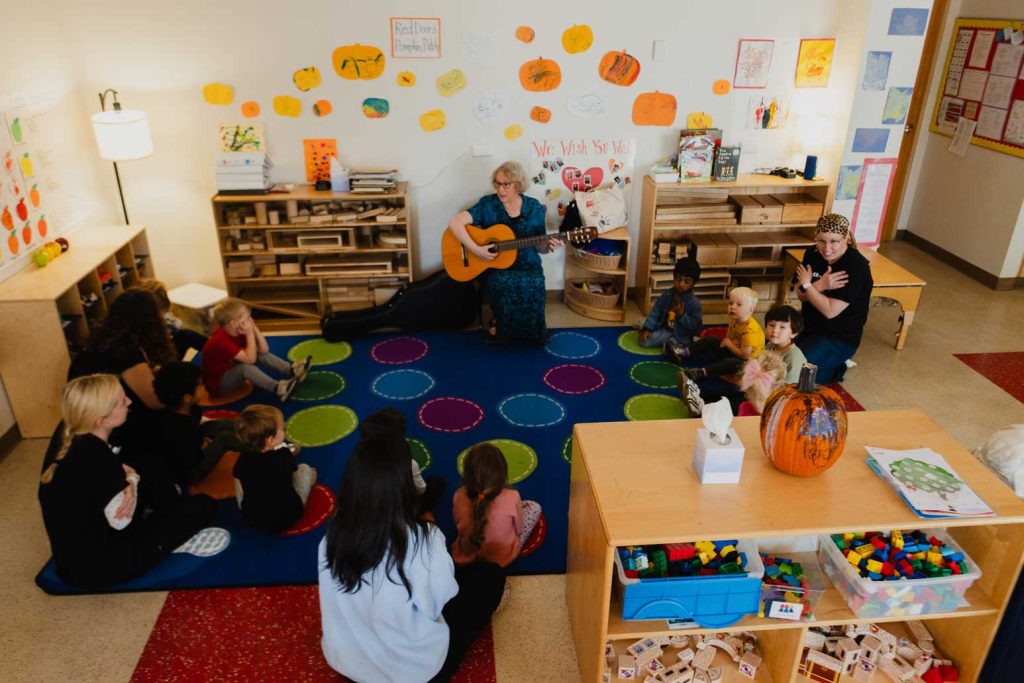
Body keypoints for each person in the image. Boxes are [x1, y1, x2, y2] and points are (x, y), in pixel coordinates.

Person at [318, 435, 503, 683]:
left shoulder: (331, 539)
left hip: (348, 663)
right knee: (490, 576)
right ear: (405, 490)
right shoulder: (424, 540)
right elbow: (441, 600)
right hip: (416, 672)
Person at [37, 374, 216, 589]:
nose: (129, 402)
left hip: (74, 559)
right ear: (100, 419)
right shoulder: (100, 461)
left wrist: (127, 476)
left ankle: (169, 509)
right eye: (122, 401)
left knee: (148, 465)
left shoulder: (70, 437)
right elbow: (121, 521)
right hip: (103, 568)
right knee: (204, 505)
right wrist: (131, 479)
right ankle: (172, 513)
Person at [447, 161, 562, 344]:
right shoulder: (487, 205)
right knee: (502, 282)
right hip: (495, 263)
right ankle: (502, 329)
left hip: (528, 262)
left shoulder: (534, 208)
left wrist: (548, 246)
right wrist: (476, 249)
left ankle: (532, 332)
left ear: (518, 184)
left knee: (533, 282)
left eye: (506, 184)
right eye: (497, 183)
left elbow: (539, 246)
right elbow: (455, 223)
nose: (500, 189)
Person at [68, 288, 177, 462]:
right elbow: (156, 401)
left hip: (86, 416)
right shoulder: (126, 352)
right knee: (174, 414)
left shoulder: (103, 340)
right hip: (111, 424)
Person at [794, 213, 873, 383]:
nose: (826, 248)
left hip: (837, 337)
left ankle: (837, 367)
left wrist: (808, 286)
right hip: (807, 327)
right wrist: (819, 286)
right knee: (772, 360)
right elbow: (800, 295)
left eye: (834, 241)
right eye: (821, 241)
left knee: (796, 375)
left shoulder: (856, 266)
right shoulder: (812, 253)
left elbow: (830, 311)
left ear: (845, 238)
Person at [200, 297, 312, 402]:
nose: (250, 320)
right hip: (219, 385)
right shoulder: (220, 341)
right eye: (247, 318)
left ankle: (291, 370)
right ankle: (279, 389)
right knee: (245, 368)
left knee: (256, 352)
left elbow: (264, 349)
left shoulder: (237, 330)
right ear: (233, 323)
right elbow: (251, 360)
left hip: (231, 368)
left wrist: (254, 328)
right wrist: (249, 333)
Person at [152, 361, 242, 488]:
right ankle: (262, 444)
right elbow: (188, 459)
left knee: (223, 423)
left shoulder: (187, 410)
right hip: (189, 472)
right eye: (199, 386)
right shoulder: (181, 427)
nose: (202, 387)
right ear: (187, 397)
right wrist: (202, 446)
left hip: (192, 442)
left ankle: (257, 430)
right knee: (225, 438)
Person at [451, 442, 541, 569]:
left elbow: (457, 523)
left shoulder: (459, 495)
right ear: (502, 473)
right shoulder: (512, 496)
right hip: (502, 559)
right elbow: (520, 530)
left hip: (465, 557)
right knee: (534, 507)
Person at [232, 404, 316, 534]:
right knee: (304, 469)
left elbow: (240, 487)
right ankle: (310, 480)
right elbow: (291, 477)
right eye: (283, 429)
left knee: (241, 479)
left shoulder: (243, 459)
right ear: (271, 440)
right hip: (289, 516)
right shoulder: (283, 455)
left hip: (254, 520)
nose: (285, 430)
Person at [359, 407, 446, 516]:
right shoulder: (408, 464)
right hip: (401, 513)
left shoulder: (359, 462)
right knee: (437, 483)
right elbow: (420, 489)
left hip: (371, 511)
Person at [676, 286, 765, 380]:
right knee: (711, 340)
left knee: (733, 364)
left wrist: (730, 344)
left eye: (739, 305)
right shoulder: (734, 319)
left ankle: (700, 373)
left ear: (750, 310)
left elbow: (745, 356)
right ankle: (684, 353)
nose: (733, 307)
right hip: (735, 350)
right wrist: (731, 343)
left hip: (747, 363)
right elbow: (730, 337)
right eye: (731, 303)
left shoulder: (751, 330)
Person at [638, 257, 703, 355]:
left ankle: (670, 346)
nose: (681, 284)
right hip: (665, 330)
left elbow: (696, 326)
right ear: (674, 277)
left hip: (682, 336)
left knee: (675, 349)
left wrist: (682, 315)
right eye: (678, 279)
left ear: (693, 283)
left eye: (686, 282)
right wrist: (648, 328)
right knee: (645, 342)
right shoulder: (667, 295)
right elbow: (656, 312)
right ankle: (644, 323)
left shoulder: (694, 303)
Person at [134, 279, 208, 359]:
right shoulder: (140, 327)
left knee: (186, 335)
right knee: (186, 336)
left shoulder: (155, 318)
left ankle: (215, 348)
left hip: (162, 352)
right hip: (160, 363)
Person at [763, 305, 807, 384]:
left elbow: (789, 388)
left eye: (782, 327)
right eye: (771, 325)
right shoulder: (770, 345)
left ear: (793, 333)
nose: (775, 330)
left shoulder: (794, 357)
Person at [737, 350, 788, 416]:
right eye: (755, 398)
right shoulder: (745, 408)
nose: (758, 406)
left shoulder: (785, 411)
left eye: (761, 400)